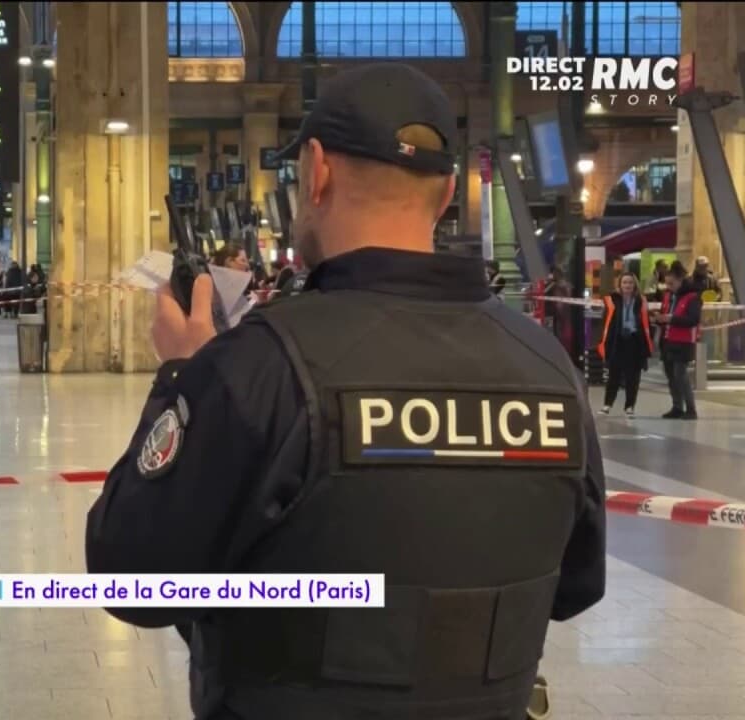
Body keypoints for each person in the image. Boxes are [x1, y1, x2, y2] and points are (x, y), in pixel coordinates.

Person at [85, 63, 605, 720]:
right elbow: (576, 586)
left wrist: (182, 377)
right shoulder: (548, 367)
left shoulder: (258, 367)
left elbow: (133, 574)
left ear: (318, 171)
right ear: (446, 193)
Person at [598, 272, 653, 416]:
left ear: (635, 285)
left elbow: (646, 322)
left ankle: (629, 406)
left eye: (630, 282)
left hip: (635, 341)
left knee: (633, 377)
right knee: (614, 375)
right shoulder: (612, 300)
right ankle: (607, 404)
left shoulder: (641, 300)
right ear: (620, 285)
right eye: (625, 283)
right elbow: (605, 322)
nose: (627, 285)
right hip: (618, 341)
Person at [655, 261, 702, 420]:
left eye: (671, 283)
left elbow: (693, 319)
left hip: (683, 341)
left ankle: (691, 408)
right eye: (667, 283)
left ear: (680, 281)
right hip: (667, 340)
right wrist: (659, 319)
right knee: (670, 375)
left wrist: (672, 318)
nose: (668, 286)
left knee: (680, 374)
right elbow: (664, 313)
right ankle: (677, 406)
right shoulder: (668, 296)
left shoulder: (692, 298)